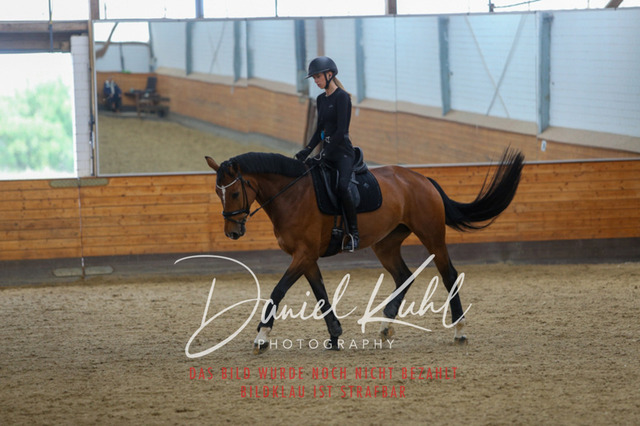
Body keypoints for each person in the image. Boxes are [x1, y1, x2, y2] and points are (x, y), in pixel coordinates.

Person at [295, 56, 359, 252]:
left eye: (318, 77)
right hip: (327, 152)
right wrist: (307, 149)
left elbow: (341, 132)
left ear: (329, 75)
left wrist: (326, 152)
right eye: (314, 78)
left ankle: (354, 233)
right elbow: (319, 130)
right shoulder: (321, 99)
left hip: (343, 153)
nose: (316, 81)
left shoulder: (342, 97)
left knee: (342, 187)